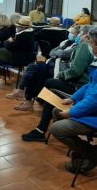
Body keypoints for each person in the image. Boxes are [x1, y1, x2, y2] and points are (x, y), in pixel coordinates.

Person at [22, 28, 94, 142]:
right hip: (80, 87)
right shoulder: (77, 45)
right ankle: (38, 113)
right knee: (47, 79)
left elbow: (76, 71)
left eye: (79, 33)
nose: (78, 36)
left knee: (50, 85)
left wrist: (61, 75)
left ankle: (40, 125)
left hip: (78, 86)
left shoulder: (84, 47)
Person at [50, 27, 97, 173]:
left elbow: (95, 99)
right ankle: (84, 154)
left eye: (92, 43)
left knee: (57, 129)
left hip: (94, 114)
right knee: (56, 110)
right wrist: (72, 98)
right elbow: (90, 85)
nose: (90, 45)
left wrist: (72, 112)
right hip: (91, 108)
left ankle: (91, 154)